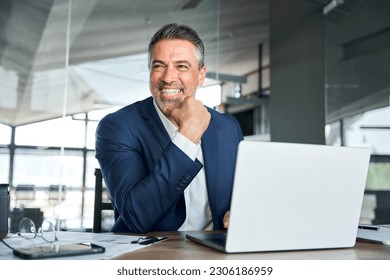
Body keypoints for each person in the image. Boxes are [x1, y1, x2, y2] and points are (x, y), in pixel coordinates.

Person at [95, 23, 244, 233]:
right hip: (148, 253)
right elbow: (136, 217)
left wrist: (241, 211)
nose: (168, 77)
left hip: (215, 249)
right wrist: (187, 137)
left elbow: (243, 193)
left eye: (181, 66)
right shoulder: (117, 127)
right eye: (158, 66)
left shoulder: (228, 127)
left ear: (201, 75)